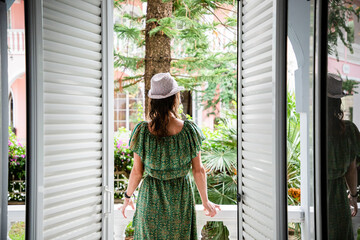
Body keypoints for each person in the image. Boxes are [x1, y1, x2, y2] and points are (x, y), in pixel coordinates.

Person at [120, 72, 220, 239]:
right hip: (179, 200)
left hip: (150, 200)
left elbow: (137, 172)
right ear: (175, 99)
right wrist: (205, 201)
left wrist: (127, 196)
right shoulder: (189, 131)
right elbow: (198, 171)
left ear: (152, 102)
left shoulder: (142, 132)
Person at [327, 73, 360, 239]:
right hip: (338, 199)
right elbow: (351, 169)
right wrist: (353, 196)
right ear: (338, 102)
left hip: (315, 197)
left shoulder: (313, 132)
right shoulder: (347, 131)